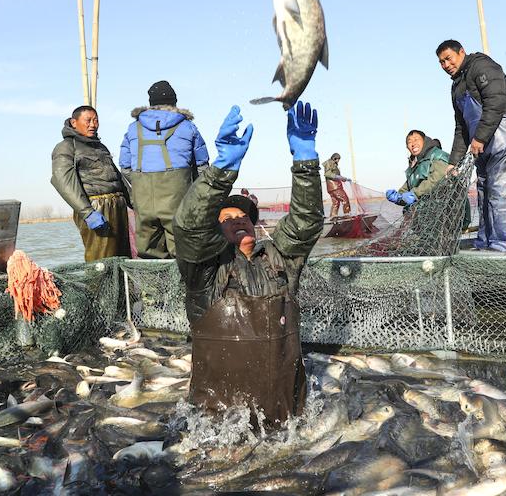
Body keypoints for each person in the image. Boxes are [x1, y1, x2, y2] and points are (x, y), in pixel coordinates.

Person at [173, 101, 324, 427]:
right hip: (218, 426)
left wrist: (306, 161)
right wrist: (221, 171)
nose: (237, 219)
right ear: (214, 229)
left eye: (244, 216)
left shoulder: (281, 258)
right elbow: (189, 227)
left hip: (287, 421)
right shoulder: (205, 271)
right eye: (226, 218)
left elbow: (306, 222)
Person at [437, 39, 506, 252]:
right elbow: (461, 127)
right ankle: (485, 242)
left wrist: (479, 138)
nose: (445, 65)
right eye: (441, 62)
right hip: (484, 142)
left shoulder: (483, 66)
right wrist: (453, 162)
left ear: (461, 52)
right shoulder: (456, 85)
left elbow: (495, 103)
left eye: (448, 58)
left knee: (500, 190)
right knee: (484, 191)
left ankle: (502, 247)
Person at [118, 80, 209, 259]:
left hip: (143, 200)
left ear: (150, 103)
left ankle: (153, 287)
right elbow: (203, 167)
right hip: (177, 198)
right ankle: (184, 286)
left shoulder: (133, 129)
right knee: (183, 249)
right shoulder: (188, 127)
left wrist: (141, 184)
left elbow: (125, 166)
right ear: (174, 103)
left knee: (148, 249)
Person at [51, 105, 131, 261]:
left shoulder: (100, 147)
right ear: (74, 122)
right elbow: (63, 182)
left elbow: (117, 177)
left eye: (96, 120)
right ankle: (98, 286)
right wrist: (87, 212)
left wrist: (133, 202)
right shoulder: (66, 147)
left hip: (118, 207)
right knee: (101, 263)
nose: (93, 125)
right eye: (88, 120)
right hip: (97, 208)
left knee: (123, 259)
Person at [386, 130, 450, 207]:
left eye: (416, 139)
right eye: (409, 142)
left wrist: (415, 193)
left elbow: (438, 179)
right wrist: (398, 197)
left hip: (447, 207)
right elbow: (406, 190)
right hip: (426, 212)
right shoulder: (413, 167)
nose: (413, 144)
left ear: (424, 140)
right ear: (407, 147)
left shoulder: (438, 155)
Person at [322, 153, 351, 217]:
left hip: (332, 187)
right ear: (334, 158)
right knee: (345, 199)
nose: (338, 161)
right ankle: (347, 215)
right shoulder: (329, 163)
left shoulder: (333, 164)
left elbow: (336, 175)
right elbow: (327, 174)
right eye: (338, 159)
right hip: (335, 187)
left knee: (336, 203)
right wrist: (339, 177)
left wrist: (344, 179)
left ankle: (333, 217)